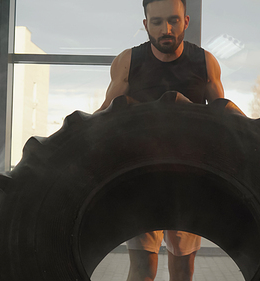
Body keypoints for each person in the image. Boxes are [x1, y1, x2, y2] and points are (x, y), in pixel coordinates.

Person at [95, 0, 224, 280]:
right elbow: (106, 112)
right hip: (141, 175)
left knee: (182, 270)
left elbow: (223, 119)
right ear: (146, 25)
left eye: (173, 20)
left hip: (187, 178)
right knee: (142, 270)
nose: (166, 28)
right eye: (157, 22)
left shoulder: (205, 62)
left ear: (185, 22)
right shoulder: (129, 61)